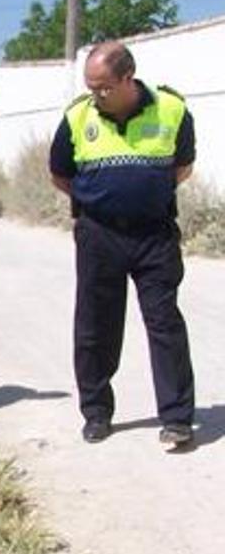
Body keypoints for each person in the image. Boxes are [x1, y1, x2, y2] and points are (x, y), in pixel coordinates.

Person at [49, 41, 196, 447]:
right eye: (90, 87)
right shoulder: (78, 116)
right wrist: (94, 203)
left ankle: (177, 418)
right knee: (96, 325)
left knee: (165, 323)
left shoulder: (172, 110)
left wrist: (143, 194)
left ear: (128, 78)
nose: (96, 95)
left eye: (103, 88)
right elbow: (60, 173)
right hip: (100, 236)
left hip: (154, 236)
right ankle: (96, 412)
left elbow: (182, 167)